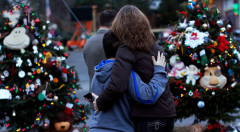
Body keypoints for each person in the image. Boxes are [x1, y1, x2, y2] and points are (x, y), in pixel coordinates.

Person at [95, 5, 176, 132]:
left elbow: (118, 84)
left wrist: (99, 103)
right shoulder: (154, 46)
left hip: (147, 116)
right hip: (167, 114)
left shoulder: (126, 48)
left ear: (119, 25)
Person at [88, 31, 168, 132]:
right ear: (123, 50)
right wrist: (159, 70)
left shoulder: (97, 72)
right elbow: (147, 96)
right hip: (118, 129)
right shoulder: (125, 74)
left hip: (95, 128)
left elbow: (93, 99)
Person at [83, 10, 117, 90]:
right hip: (111, 94)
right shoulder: (115, 41)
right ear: (114, 22)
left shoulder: (88, 43)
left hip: (93, 92)